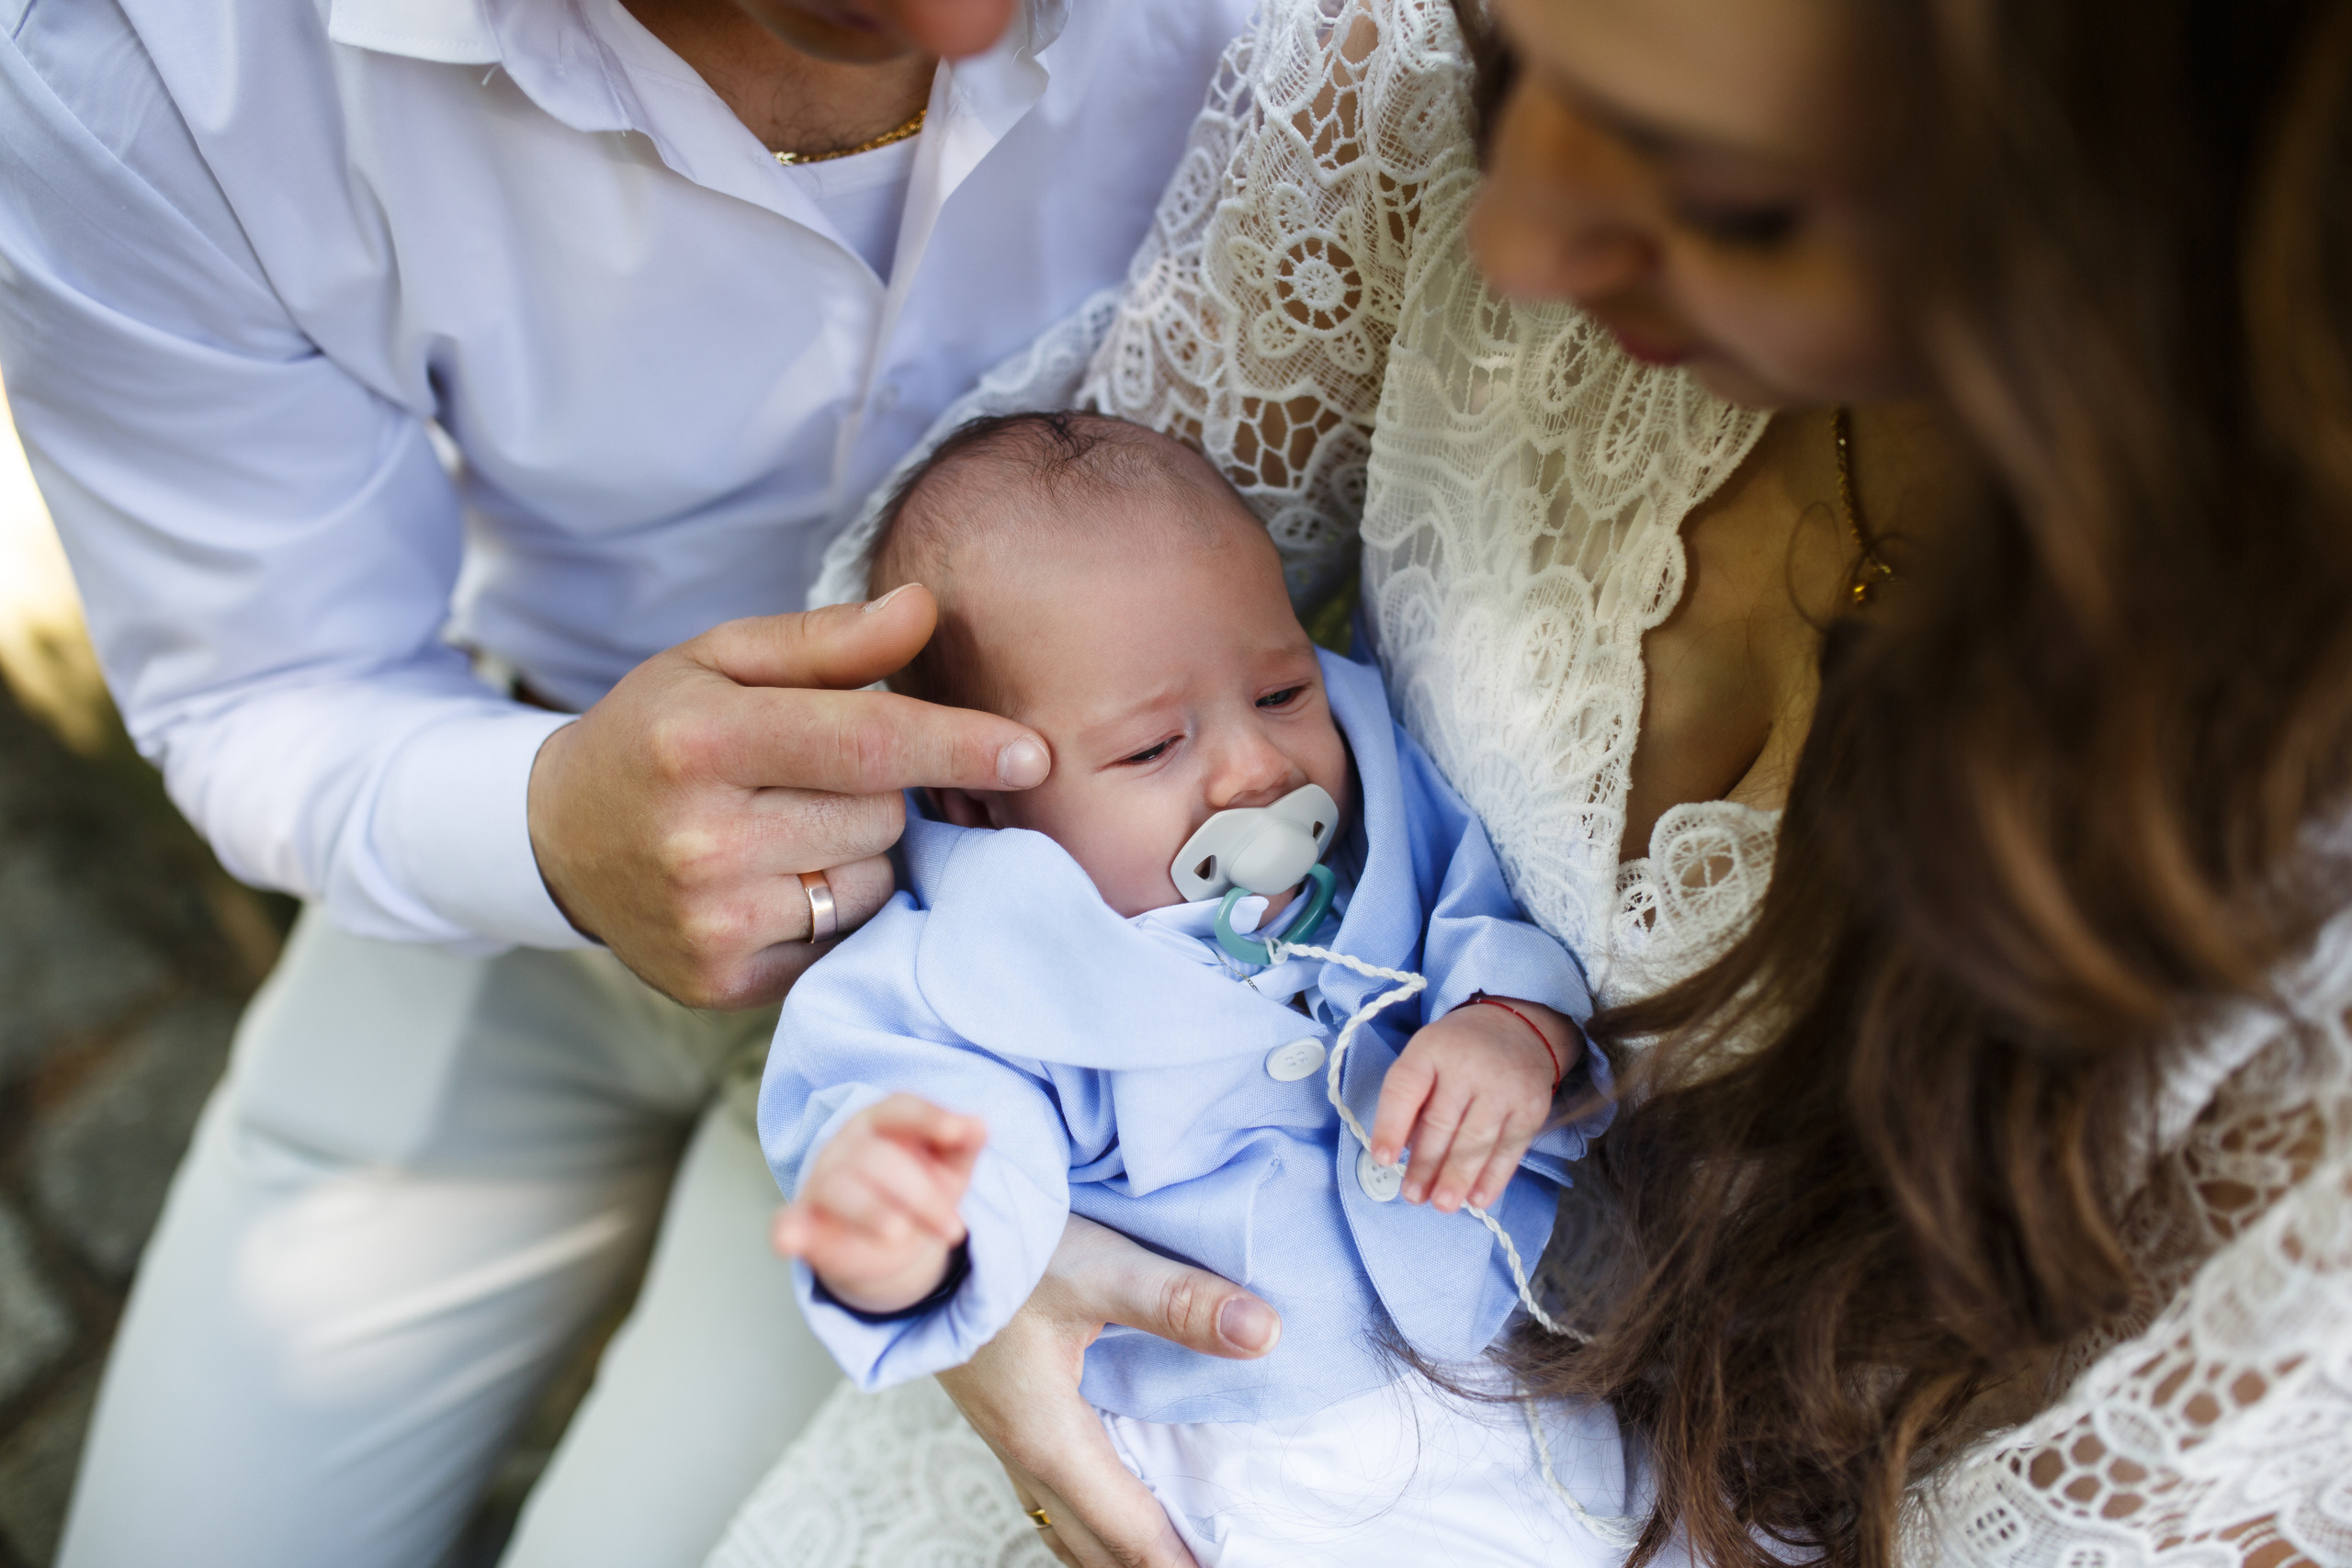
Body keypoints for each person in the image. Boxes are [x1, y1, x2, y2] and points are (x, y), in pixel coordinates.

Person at [705, 0, 2352, 1563]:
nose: (1517, 241)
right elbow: (967, 718)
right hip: (1202, 1432)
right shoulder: (990, 913)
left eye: (1730, 200)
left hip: (1575, 1451)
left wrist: (1512, 1021)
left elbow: (1476, 909)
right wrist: (950, 1246)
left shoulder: (1351, 775)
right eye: (1513, 64)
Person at [0, 0, 1270, 1563]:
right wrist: (545, 829)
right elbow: (266, 679)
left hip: (1032, 1001)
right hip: (519, 849)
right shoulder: (152, 54)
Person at [765, 411, 1616, 1566]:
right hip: (1263, 1446)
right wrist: (904, 1225)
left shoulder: (1373, 794)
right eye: (1152, 748)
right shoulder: (967, 961)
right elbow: (932, 1118)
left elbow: (1474, 897)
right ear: (980, 797)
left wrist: (1508, 1025)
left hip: (1520, 1348)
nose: (1256, 766)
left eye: (1278, 693)